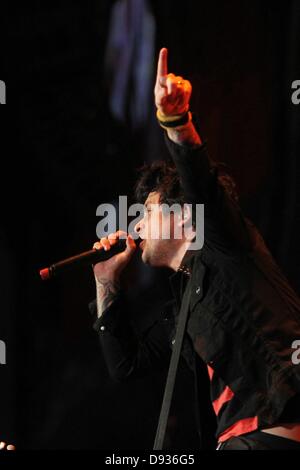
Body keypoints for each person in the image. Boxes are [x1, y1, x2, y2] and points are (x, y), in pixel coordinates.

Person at [90, 48, 300, 450]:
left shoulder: (226, 247)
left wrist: (176, 121)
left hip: (271, 435)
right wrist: (107, 283)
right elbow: (126, 364)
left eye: (146, 212)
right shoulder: (184, 306)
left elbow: (200, 181)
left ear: (185, 216)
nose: (136, 225)